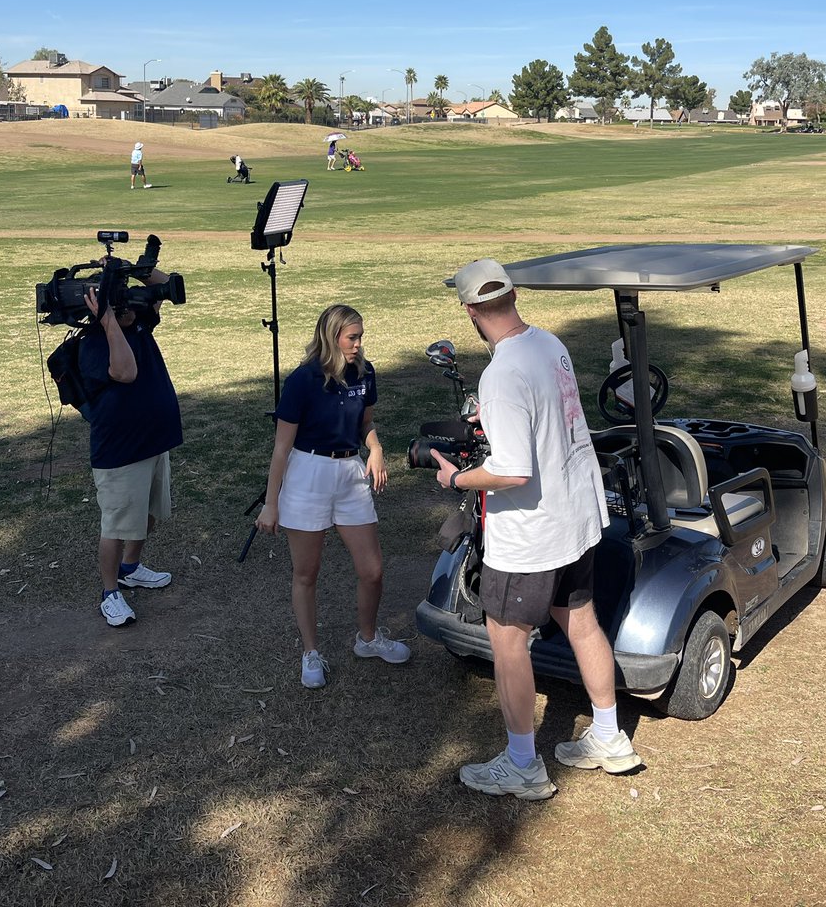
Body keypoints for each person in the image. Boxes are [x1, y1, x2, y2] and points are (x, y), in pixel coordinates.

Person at [430, 258, 640, 800]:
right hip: (576, 517)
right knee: (582, 620)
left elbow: (513, 470)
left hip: (531, 533)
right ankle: (610, 737)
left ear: (471, 309)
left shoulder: (500, 374)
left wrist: (457, 479)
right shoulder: (551, 345)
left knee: (507, 641)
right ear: (513, 294)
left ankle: (522, 762)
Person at [255, 305, 411, 688]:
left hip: (350, 473)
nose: (358, 345)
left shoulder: (365, 373)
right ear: (331, 336)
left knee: (372, 570)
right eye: (351, 337)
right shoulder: (302, 381)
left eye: (360, 337)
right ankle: (311, 651)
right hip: (308, 474)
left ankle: (368, 638)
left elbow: (365, 423)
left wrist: (374, 448)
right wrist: (271, 503)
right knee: (306, 573)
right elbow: (281, 449)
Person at [78, 263, 182, 626]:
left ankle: (131, 568)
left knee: (148, 517)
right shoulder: (92, 342)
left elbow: (170, 287)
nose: (127, 301)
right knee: (118, 526)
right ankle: (110, 593)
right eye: (117, 293)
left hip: (153, 441)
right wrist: (106, 320)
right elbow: (126, 371)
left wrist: (140, 269)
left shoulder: (137, 320)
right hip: (120, 451)